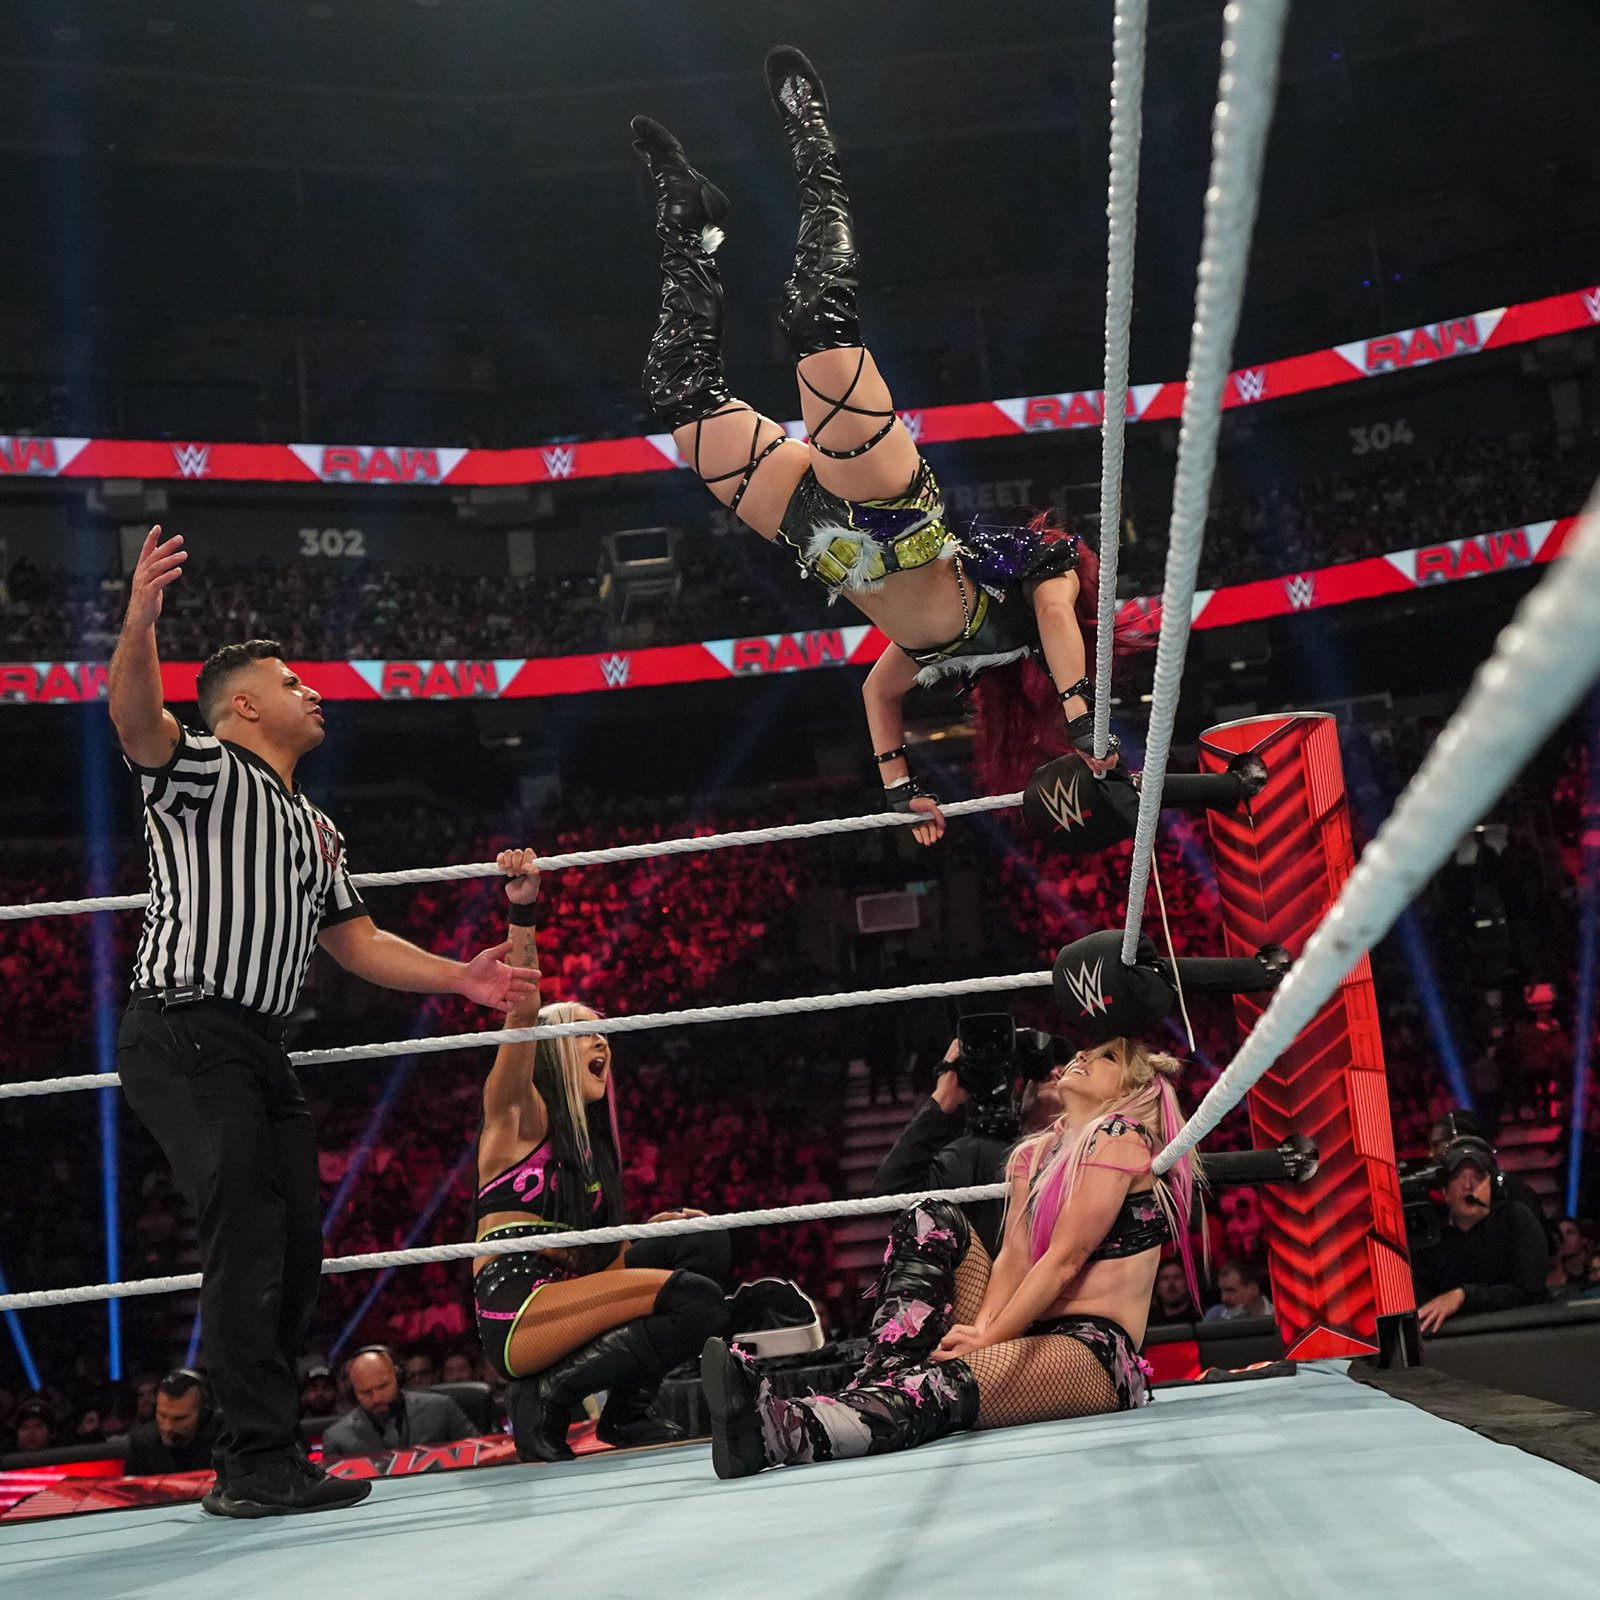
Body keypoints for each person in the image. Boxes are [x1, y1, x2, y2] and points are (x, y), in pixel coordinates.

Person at [107, 525, 540, 1519]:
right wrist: (140, 619)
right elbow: (134, 718)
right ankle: (254, 1463)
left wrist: (460, 979)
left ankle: (264, 1455)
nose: (313, 693)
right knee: (249, 1238)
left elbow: (357, 941)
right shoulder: (205, 769)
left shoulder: (314, 827)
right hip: (184, 1028)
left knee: (297, 1249)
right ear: (245, 705)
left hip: (258, 1046)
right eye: (292, 682)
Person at [632, 47, 1142, 828]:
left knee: (677, 392)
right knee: (814, 322)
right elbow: (1053, 623)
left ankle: (690, 226)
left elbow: (878, 692)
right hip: (888, 509)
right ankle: (812, 135)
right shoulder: (1054, 579)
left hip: (814, 533)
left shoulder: (941, 656)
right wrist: (1084, 720)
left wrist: (900, 790)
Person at [700, 1037, 1203, 1478]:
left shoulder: (1120, 1136)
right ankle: (881, 1378)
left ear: (1134, 1087)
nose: (1082, 1058)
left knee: (945, 1387)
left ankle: (782, 1430)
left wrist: (990, 1338)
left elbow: (1066, 1259)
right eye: (1086, 1052)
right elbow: (1014, 1257)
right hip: (1029, 1331)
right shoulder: (1035, 1152)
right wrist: (982, 1328)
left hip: (1093, 1351)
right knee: (930, 1216)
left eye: (1106, 1057)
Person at [471, 849, 733, 1462]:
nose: (601, 1043)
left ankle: (626, 1413)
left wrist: (648, 1235)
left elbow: (597, 1262)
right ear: (552, 1050)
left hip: (571, 1292)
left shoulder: (588, 1151)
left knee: (701, 1243)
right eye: (583, 1032)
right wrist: (523, 910)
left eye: (602, 1033)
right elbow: (522, 1010)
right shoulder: (518, 1116)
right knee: (694, 1299)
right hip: (520, 1308)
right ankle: (548, 1397)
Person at [872, 1036, 1066, 1256]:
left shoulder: (1092, 1156)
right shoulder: (983, 1153)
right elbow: (893, 1190)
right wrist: (943, 1098)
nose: (1055, 1072)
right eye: (1042, 1072)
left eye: (1068, 1069)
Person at [1411, 1137, 1548, 1334]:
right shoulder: (1429, 1236)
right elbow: (1423, 1305)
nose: (1468, 1185)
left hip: (1518, 1337)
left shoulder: (1515, 1218)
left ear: (1492, 1185)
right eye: (1458, 1176)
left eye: (1478, 1176)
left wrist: (1464, 1297)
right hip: (1452, 1342)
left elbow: (1528, 1291)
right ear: (1445, 1190)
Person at [319, 1349, 477, 1463]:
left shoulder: (441, 1408)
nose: (377, 1398)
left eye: (383, 1386)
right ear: (352, 1392)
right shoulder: (337, 1439)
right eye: (366, 1392)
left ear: (398, 1377)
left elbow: (481, 1455)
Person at [124, 1369, 222, 1477]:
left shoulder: (224, 1439)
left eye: (179, 1418)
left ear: (203, 1413)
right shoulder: (141, 1442)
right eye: (162, 1415)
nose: (167, 1427)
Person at [1203, 1259, 1274, 1322]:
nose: (1223, 1298)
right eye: (1222, 1291)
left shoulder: (1277, 1320)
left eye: (1230, 1291)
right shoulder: (1215, 1316)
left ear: (1253, 1289)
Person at [1148, 1259, 1203, 1326]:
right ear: (1157, 1287)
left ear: (1188, 1284)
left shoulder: (1202, 1317)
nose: (1171, 1283)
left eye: (1177, 1277)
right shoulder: (1147, 1322)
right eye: (1165, 1279)